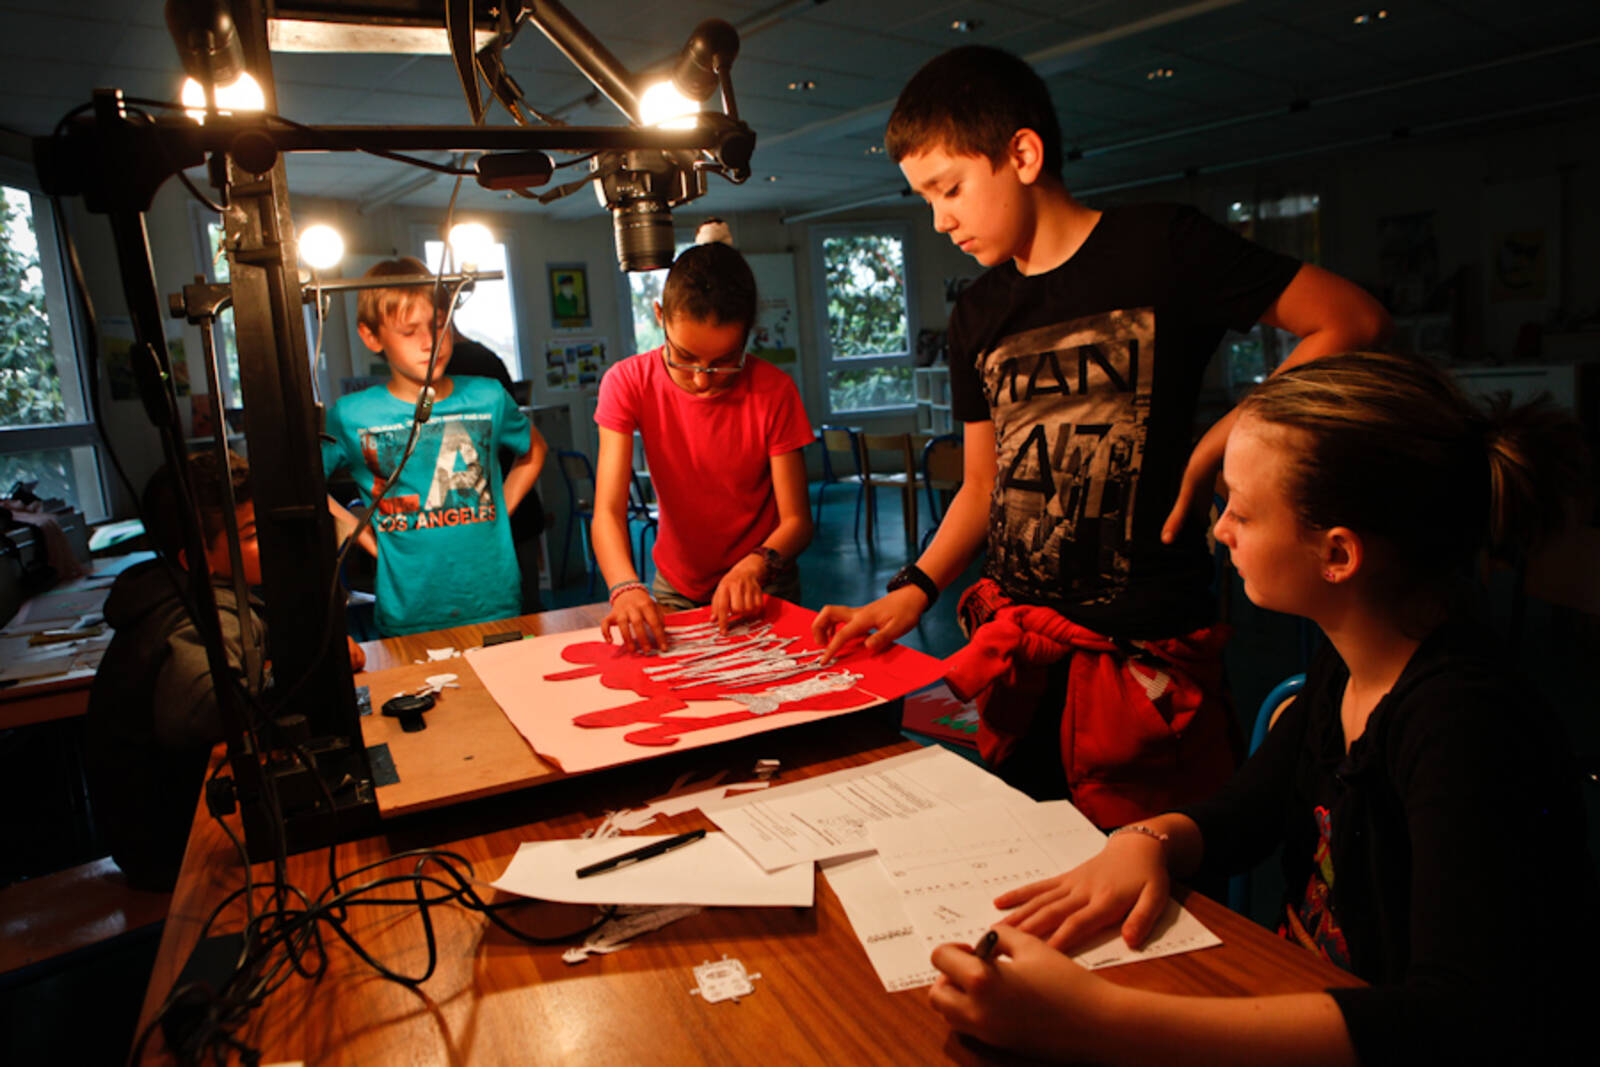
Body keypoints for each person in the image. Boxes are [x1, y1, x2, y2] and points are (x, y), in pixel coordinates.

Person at [926, 351, 1597, 1064]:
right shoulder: (1352, 663)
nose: (1220, 530)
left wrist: (1094, 1019)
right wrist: (1147, 841)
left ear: (1337, 555)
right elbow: (1250, 808)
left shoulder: (1465, 728)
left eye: (1242, 511)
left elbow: (1454, 1021)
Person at [813, 45, 1391, 824]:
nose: (940, 219)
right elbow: (983, 484)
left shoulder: (1162, 248)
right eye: (925, 198)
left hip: (1145, 666)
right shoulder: (977, 314)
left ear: (1022, 155)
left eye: (949, 188)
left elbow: (1350, 320)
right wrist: (914, 589)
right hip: (1024, 665)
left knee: (1158, 876)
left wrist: (1227, 435)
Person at [593, 242, 814, 649]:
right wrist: (624, 586)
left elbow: (797, 521)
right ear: (659, 316)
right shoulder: (627, 383)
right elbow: (608, 510)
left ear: (748, 332)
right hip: (678, 586)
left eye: (725, 362)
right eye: (685, 357)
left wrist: (756, 563)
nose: (701, 379)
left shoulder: (775, 391)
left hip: (762, 584)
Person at [323, 257, 542, 636]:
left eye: (438, 326)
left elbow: (534, 449)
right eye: (409, 332)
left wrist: (501, 509)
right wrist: (363, 536)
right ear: (371, 337)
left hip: (493, 600)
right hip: (409, 609)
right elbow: (306, 484)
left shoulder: (488, 396)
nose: (430, 343)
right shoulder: (350, 415)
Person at [83, 451, 267, 891]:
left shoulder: (172, 587)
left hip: (158, 836)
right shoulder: (202, 614)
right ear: (196, 559)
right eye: (252, 534)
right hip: (173, 856)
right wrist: (295, 673)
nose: (272, 541)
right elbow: (205, 709)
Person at [447, 326, 550, 612]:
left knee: (520, 616)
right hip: (499, 513)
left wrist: (500, 511)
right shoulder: (482, 359)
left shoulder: (476, 366)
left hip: (502, 513)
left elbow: (528, 445)